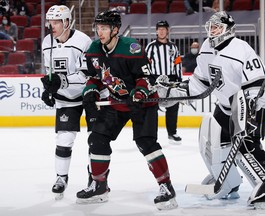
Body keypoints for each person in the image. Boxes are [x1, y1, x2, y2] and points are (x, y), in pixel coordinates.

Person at [158, 11, 265, 209]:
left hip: (254, 102)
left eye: (217, 27)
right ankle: (228, 181)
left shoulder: (241, 49)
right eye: (211, 26)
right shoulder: (207, 47)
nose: (212, 31)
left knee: (247, 145)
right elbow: (200, 83)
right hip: (227, 105)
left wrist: (252, 109)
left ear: (228, 30)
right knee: (215, 140)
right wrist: (175, 93)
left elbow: (260, 83)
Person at [75, 10, 178, 210]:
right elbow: (95, 77)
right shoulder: (94, 49)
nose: (100, 31)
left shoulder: (131, 48)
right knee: (97, 138)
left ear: (115, 29)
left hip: (143, 103)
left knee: (145, 143)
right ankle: (99, 185)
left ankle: (166, 188)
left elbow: (145, 78)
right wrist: (90, 92)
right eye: (98, 27)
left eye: (104, 28)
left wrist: (139, 94)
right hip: (117, 102)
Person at [40, 5, 96, 200]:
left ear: (66, 22)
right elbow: (49, 71)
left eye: (56, 22)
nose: (52, 26)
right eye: (50, 22)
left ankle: (95, 178)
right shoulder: (47, 42)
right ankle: (61, 177)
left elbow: (85, 74)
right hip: (65, 98)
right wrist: (48, 90)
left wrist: (61, 82)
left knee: (95, 140)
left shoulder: (83, 41)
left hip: (88, 96)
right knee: (64, 140)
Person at [145, 20, 183, 145]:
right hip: (154, 79)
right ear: (156, 31)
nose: (161, 31)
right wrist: (148, 79)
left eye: (164, 29)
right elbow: (146, 64)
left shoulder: (173, 47)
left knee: (173, 106)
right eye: (159, 29)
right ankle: (151, 135)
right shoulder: (150, 47)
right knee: (152, 108)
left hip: (171, 80)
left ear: (168, 31)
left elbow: (177, 63)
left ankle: (172, 133)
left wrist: (179, 79)